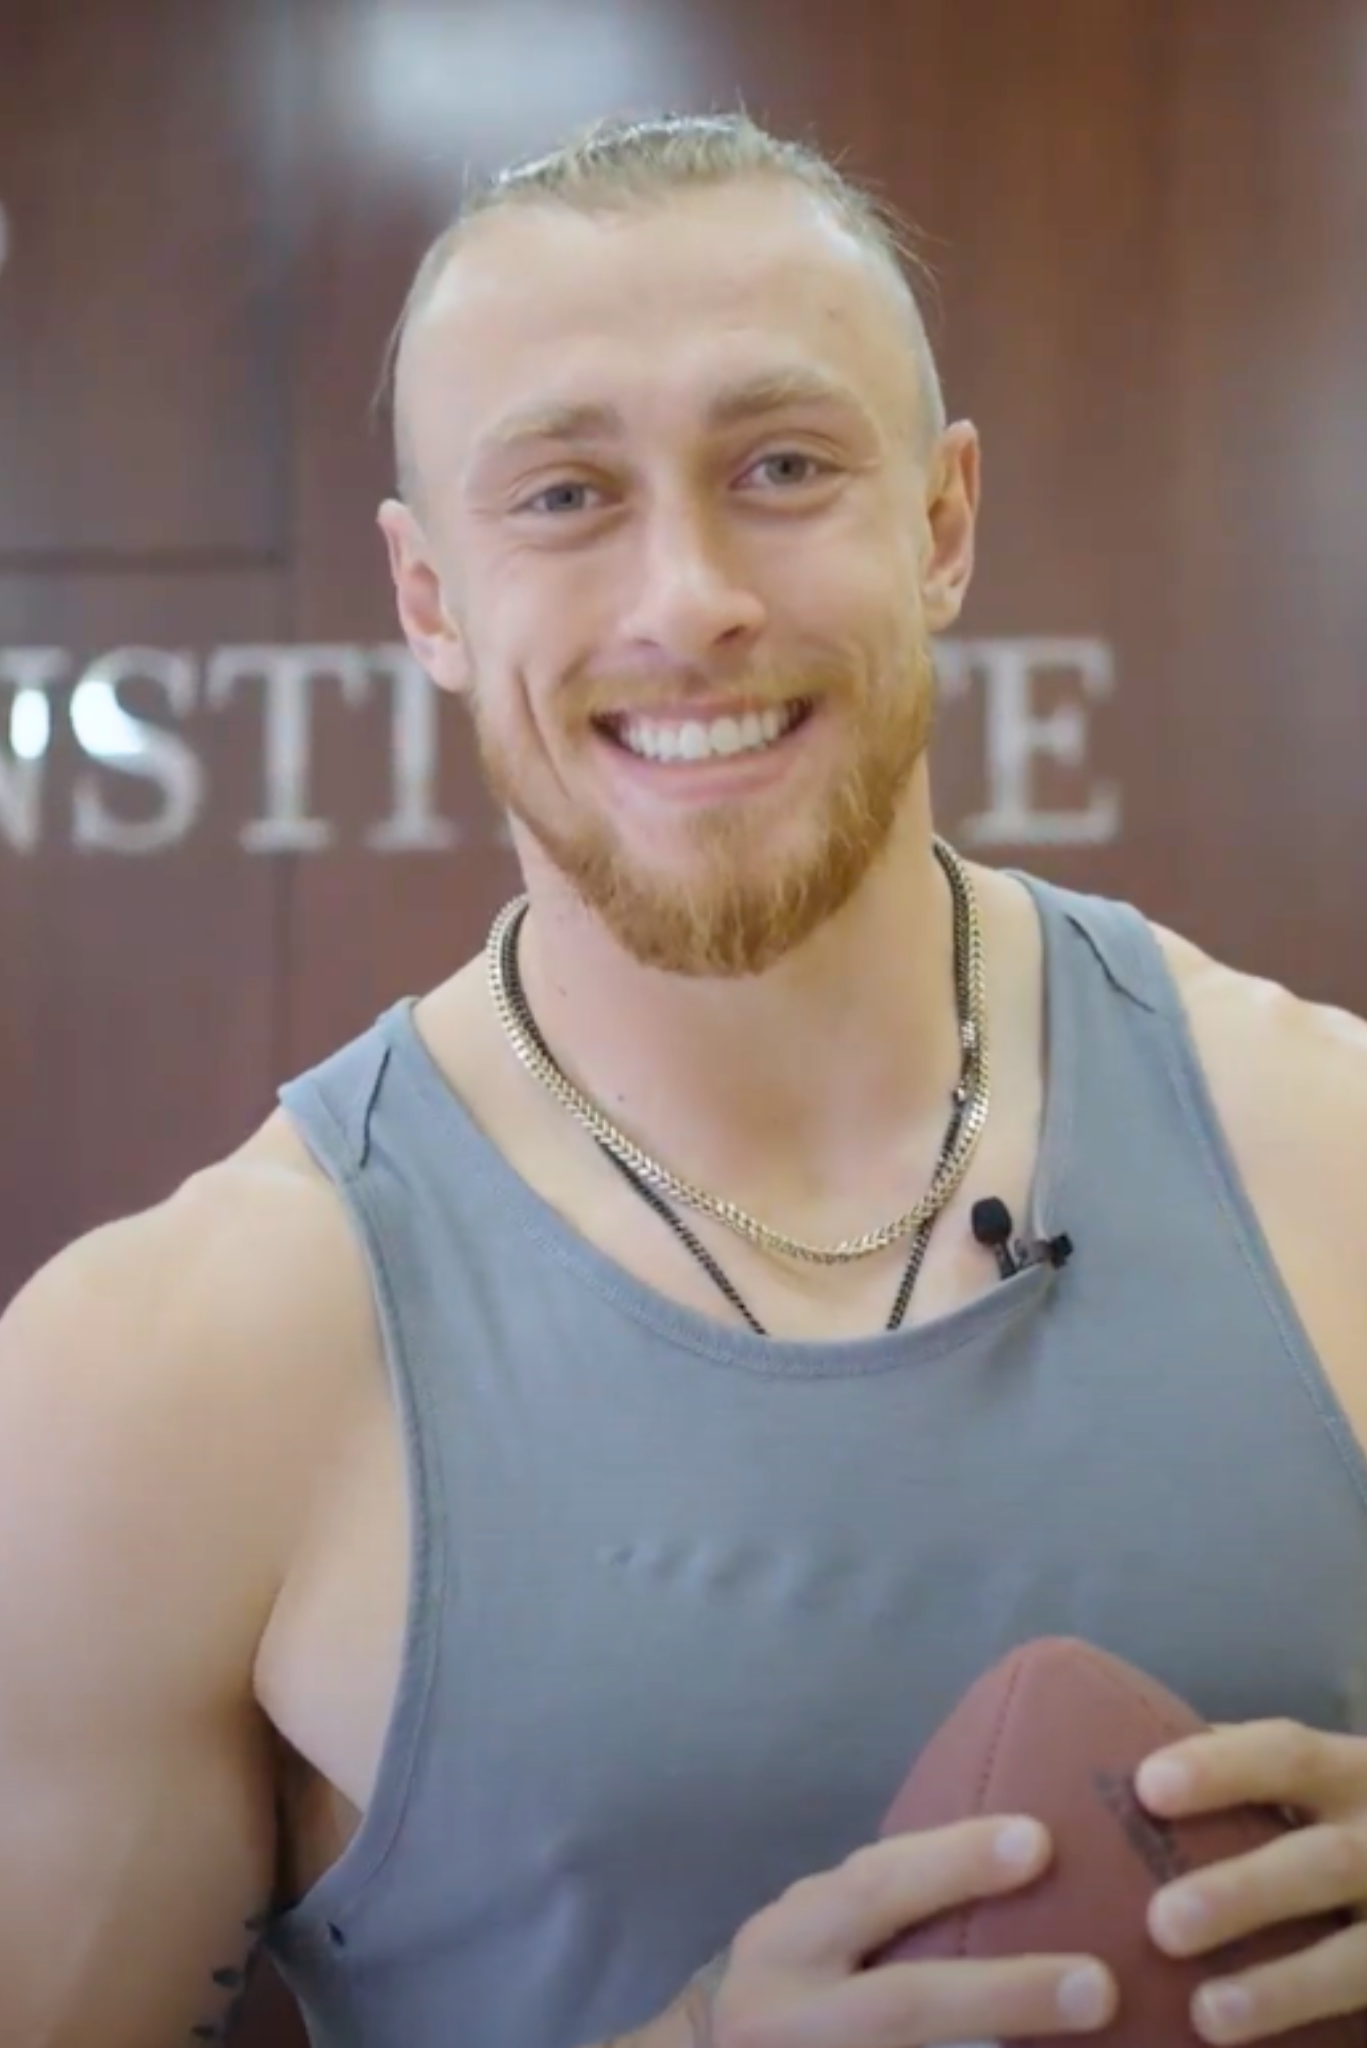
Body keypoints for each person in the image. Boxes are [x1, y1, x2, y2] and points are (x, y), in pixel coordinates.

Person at [4, 109, 1367, 2048]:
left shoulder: (1333, 1153)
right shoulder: (171, 1369)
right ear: (428, 600)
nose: (685, 599)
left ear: (941, 520)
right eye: (562, 497)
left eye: (781, 465)